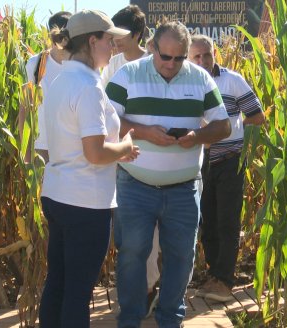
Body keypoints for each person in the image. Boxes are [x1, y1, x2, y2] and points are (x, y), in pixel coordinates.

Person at [106, 21, 231, 328]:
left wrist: (196, 136)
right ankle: (131, 318)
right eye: (165, 57)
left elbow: (223, 125)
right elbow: (104, 120)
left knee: (183, 256)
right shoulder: (128, 75)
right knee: (133, 253)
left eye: (179, 58)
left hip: (184, 188)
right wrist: (145, 133)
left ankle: (170, 318)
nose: (172, 64)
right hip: (135, 184)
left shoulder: (200, 79)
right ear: (152, 48)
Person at [39, 9, 140, 328]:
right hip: (85, 202)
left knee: (58, 282)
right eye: (109, 41)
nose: (113, 48)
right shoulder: (89, 86)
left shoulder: (59, 78)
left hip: (57, 194)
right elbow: (95, 152)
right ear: (92, 40)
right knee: (78, 292)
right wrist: (124, 148)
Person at [188, 34, 265, 302]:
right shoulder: (187, 82)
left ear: (214, 54)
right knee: (206, 221)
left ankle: (225, 280)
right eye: (196, 56)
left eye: (206, 55)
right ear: (189, 57)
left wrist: (235, 135)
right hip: (200, 162)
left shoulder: (231, 80)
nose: (202, 60)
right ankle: (214, 274)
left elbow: (257, 116)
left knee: (227, 221)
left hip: (230, 159)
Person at [100, 4, 162, 318]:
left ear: (137, 35)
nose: (114, 41)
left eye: (120, 36)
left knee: (147, 232)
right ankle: (139, 287)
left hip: (151, 161)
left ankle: (147, 287)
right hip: (120, 160)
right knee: (124, 233)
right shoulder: (111, 66)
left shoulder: (155, 67)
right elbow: (105, 112)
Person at [20, 11, 71, 163]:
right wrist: (26, 154)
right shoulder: (35, 64)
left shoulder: (79, 64)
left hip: (72, 149)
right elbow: (24, 109)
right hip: (42, 148)